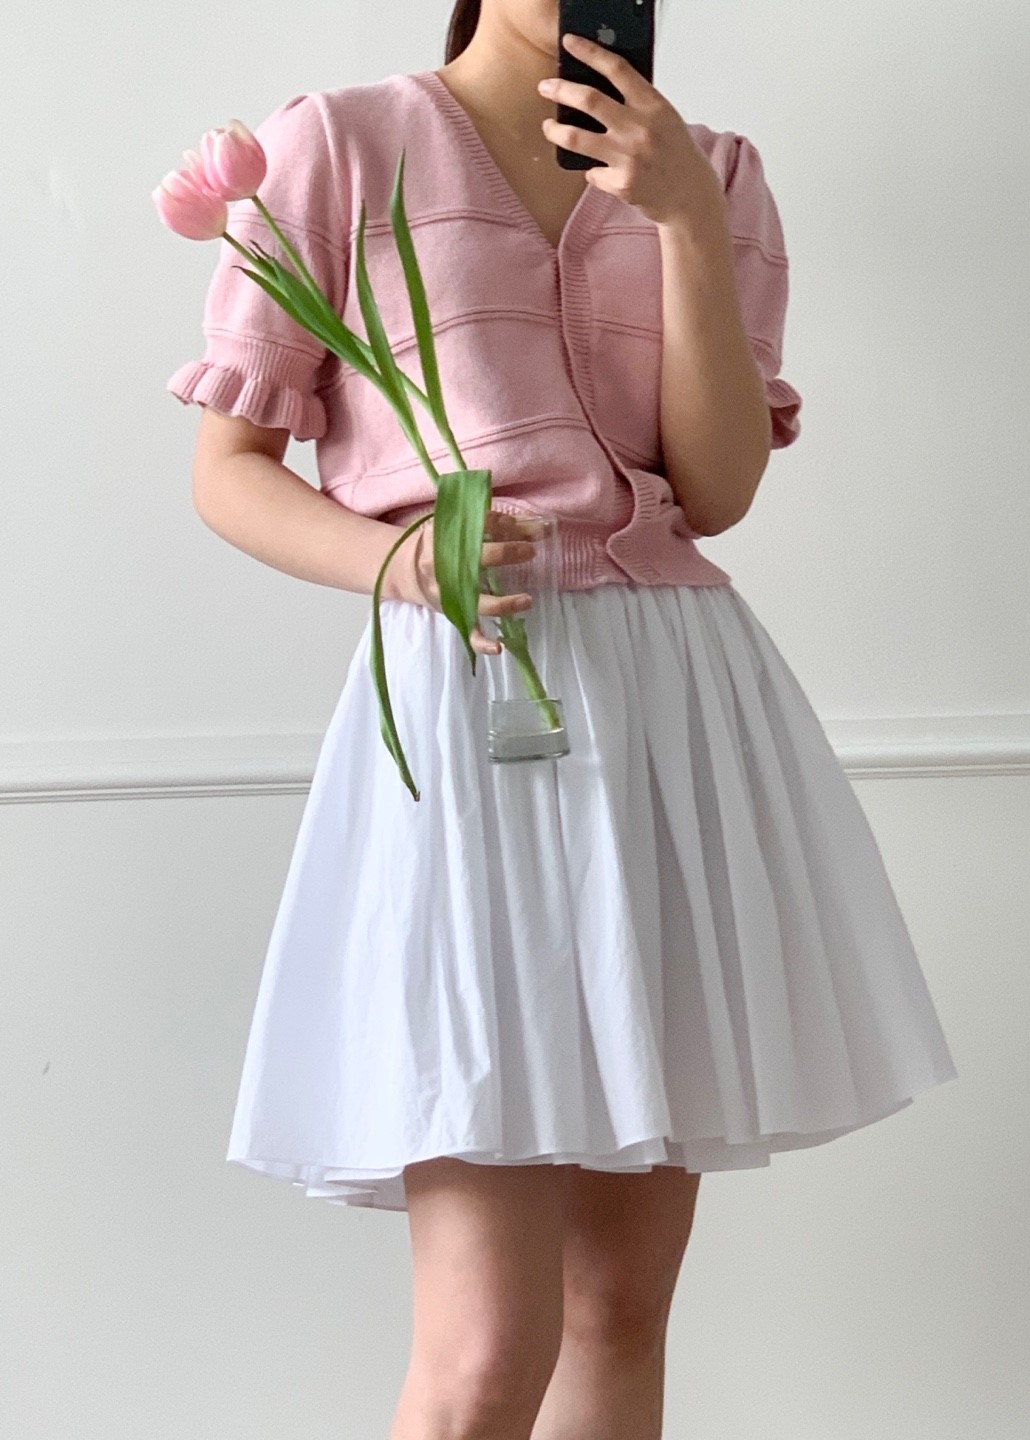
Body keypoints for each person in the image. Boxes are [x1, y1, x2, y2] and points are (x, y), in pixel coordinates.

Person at [166, 2, 959, 1435]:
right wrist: (398, 563)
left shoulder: (711, 170)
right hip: (469, 700)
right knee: (484, 1345)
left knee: (618, 1313)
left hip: (675, 710)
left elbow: (715, 490)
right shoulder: (338, 144)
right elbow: (230, 467)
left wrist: (680, 220)